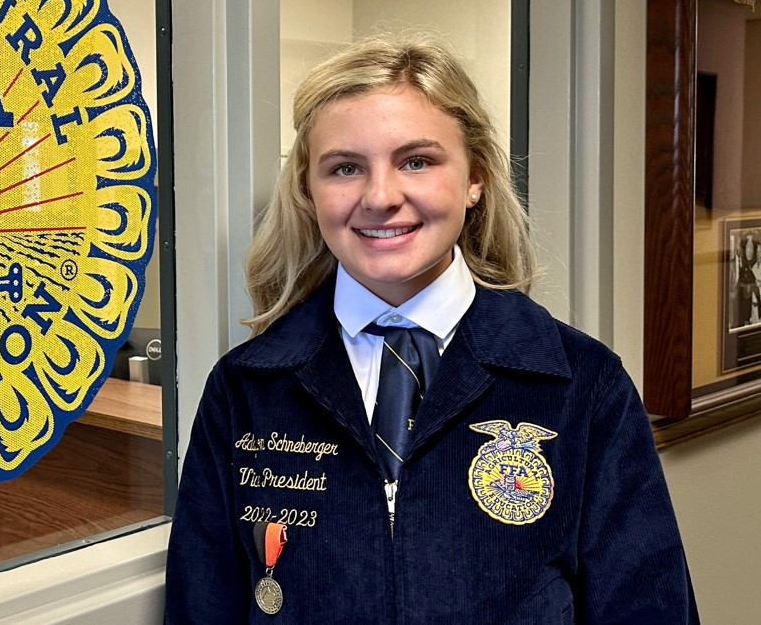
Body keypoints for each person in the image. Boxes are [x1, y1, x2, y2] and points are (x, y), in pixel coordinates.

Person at [164, 35, 697, 624]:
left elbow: (651, 608)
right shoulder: (248, 390)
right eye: (345, 168)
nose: (380, 196)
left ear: (476, 179)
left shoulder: (581, 386)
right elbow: (200, 604)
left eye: (416, 161)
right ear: (309, 193)